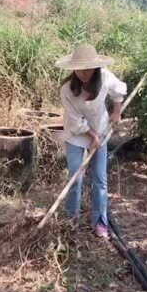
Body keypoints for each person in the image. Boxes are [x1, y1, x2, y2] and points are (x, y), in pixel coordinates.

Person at [56, 44, 127, 238]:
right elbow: (74, 120)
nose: (83, 72)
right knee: (74, 178)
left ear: (95, 67)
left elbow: (118, 91)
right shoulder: (67, 89)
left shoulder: (105, 77)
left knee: (100, 179)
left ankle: (100, 222)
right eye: (79, 68)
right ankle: (71, 220)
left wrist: (116, 111)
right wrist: (92, 135)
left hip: (102, 132)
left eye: (87, 68)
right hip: (77, 135)